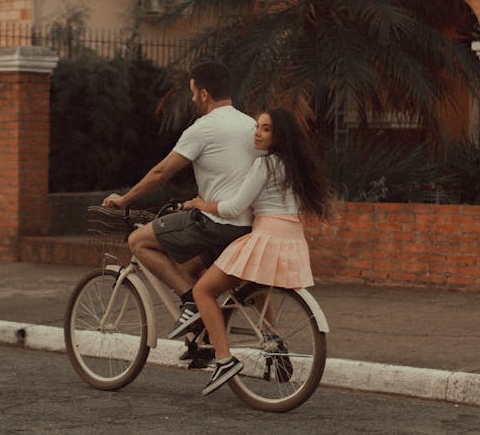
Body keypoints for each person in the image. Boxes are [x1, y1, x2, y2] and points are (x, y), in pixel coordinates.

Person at [102, 61, 262, 338]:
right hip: (246, 224)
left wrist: (125, 199)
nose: (191, 98)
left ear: (203, 94)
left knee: (137, 241)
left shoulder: (203, 128)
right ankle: (200, 344)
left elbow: (162, 171)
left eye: (192, 92)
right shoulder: (251, 125)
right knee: (186, 269)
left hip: (215, 224)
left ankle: (190, 301)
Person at [182, 108, 334, 395]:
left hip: (266, 238)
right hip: (291, 242)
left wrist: (201, 205)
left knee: (203, 290)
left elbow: (234, 208)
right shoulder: (296, 167)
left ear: (279, 135)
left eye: (266, 128)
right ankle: (272, 341)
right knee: (252, 290)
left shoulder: (265, 165)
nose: (257, 132)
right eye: (258, 127)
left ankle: (224, 360)